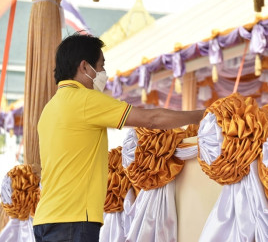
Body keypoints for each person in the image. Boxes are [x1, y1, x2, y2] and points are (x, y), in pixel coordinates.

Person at [33, 33, 204, 242]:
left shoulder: (49, 109)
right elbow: (152, 119)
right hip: (73, 219)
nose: (104, 72)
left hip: (45, 219)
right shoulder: (85, 100)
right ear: (85, 67)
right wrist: (202, 115)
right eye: (101, 65)